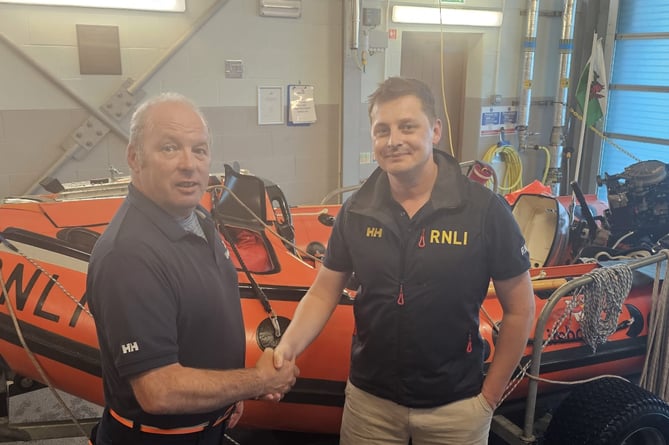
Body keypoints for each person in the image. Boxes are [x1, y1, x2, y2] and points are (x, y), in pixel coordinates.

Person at [274, 77, 535, 445]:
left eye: (407, 127)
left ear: (435, 131)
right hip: (370, 406)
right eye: (382, 130)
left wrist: (489, 398)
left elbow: (520, 309)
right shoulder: (356, 212)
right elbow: (322, 293)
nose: (394, 140)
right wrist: (287, 348)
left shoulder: (483, 212)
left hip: (456, 408)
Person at [87, 92, 299, 445]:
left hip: (209, 427)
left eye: (199, 150)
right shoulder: (129, 256)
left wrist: (226, 395)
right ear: (134, 158)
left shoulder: (197, 217)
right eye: (170, 148)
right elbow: (159, 391)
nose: (189, 163)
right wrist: (258, 381)